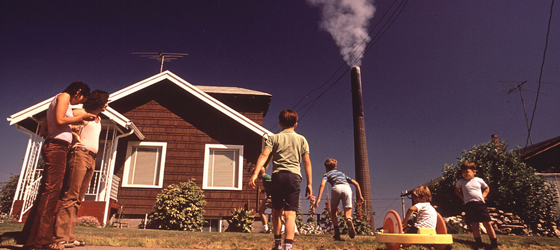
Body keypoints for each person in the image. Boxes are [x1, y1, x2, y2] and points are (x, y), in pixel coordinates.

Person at [23, 82, 95, 250]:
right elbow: (60, 119)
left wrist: (71, 130)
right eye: (83, 98)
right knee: (52, 192)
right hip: (56, 148)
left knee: (48, 192)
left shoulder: (55, 102)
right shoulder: (64, 97)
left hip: (53, 145)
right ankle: (42, 241)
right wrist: (82, 118)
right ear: (78, 92)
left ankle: (32, 239)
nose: (81, 102)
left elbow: (44, 130)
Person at [249, 109, 314, 250]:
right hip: (294, 177)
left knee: (277, 212)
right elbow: (307, 163)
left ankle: (278, 244)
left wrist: (255, 173)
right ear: (296, 124)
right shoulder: (302, 139)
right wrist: (309, 184)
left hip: (278, 177)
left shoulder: (273, 138)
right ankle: (288, 246)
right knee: (290, 214)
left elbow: (264, 156)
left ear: (279, 124)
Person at [54, 90, 109, 248]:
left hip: (91, 158)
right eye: (105, 101)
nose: (107, 104)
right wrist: (73, 133)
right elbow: (64, 122)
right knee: (70, 196)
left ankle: (70, 237)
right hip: (79, 154)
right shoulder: (81, 113)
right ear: (98, 101)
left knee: (77, 200)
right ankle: (60, 237)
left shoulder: (98, 119)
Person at [314, 158, 364, 241]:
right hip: (347, 188)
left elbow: (322, 184)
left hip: (336, 188)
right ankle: (349, 220)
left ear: (326, 168)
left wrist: (319, 198)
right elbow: (356, 183)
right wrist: (360, 196)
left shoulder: (327, 174)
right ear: (335, 167)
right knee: (347, 214)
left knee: (333, 211)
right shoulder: (342, 174)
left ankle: (337, 234)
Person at [455, 161, 498, 250]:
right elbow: (456, 190)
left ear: (474, 171)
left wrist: (483, 197)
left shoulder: (479, 180)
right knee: (474, 226)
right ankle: (479, 245)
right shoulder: (461, 182)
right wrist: (463, 199)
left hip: (480, 204)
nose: (465, 174)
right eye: (463, 172)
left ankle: (494, 245)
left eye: (467, 172)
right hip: (469, 205)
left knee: (488, 224)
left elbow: (487, 188)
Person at [257, 168, 273, 233]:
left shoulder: (265, 177)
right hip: (273, 196)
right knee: (276, 213)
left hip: (271, 197)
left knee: (261, 210)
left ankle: (265, 229)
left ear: (259, 173)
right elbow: (270, 186)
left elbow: (273, 184)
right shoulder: (265, 178)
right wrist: (264, 190)